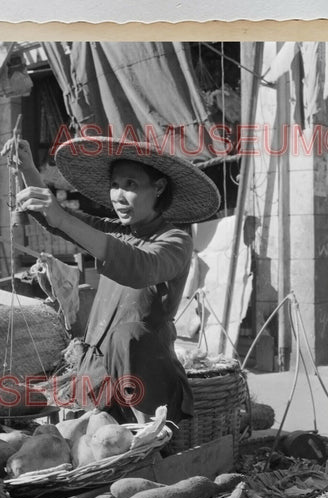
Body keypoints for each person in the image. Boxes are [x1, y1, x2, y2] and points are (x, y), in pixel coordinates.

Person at [11, 136, 220, 424]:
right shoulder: (115, 231)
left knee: (128, 335)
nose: (118, 196)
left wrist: (60, 217)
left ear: (158, 188)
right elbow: (59, 221)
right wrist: (27, 169)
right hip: (97, 379)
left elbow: (138, 266)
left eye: (131, 186)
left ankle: (149, 435)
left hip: (147, 390)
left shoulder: (175, 241)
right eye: (115, 185)